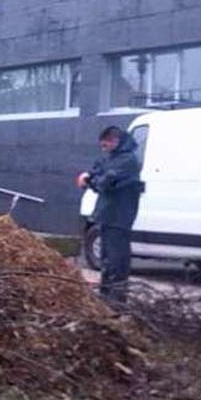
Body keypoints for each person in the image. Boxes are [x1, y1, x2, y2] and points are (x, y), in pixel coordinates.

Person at [77, 126, 143, 303]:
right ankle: (106, 297)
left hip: (119, 217)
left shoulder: (127, 161)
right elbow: (99, 171)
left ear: (115, 140)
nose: (103, 148)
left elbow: (106, 182)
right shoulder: (113, 158)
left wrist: (89, 180)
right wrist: (89, 176)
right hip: (108, 215)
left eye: (105, 144)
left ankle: (116, 299)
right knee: (106, 259)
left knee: (116, 260)